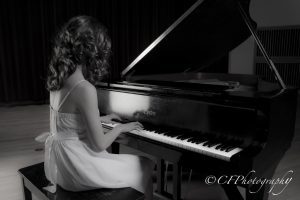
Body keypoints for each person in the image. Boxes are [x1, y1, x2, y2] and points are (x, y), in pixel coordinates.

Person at [43, 15, 154, 199]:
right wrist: (120, 128)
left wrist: (101, 120)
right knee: (145, 165)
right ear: (91, 50)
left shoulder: (57, 80)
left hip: (63, 169)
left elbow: (68, 124)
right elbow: (99, 145)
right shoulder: (84, 88)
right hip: (80, 169)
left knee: (131, 166)